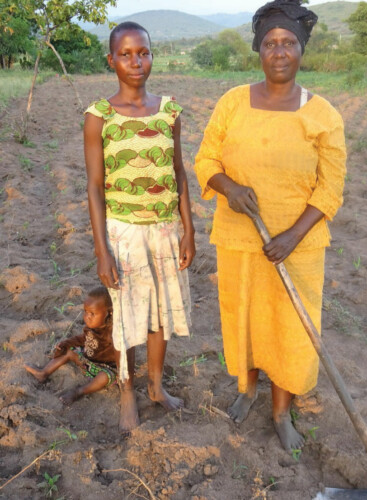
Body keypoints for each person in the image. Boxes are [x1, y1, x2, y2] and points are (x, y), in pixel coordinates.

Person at [195, 0, 346, 452]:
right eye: (270, 43)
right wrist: (228, 187)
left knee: (290, 326)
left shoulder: (323, 115)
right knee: (243, 316)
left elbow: (330, 188)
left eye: (288, 43)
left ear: (302, 50)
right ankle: (247, 389)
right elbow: (205, 159)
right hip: (239, 239)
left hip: (298, 246)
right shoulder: (232, 102)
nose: (279, 51)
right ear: (258, 51)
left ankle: (281, 411)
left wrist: (292, 236)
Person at [84, 22, 195, 433]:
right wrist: (102, 251)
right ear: (111, 60)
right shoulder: (99, 117)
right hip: (124, 234)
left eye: (143, 53)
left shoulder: (169, 112)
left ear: (152, 56)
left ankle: (155, 386)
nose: (136, 62)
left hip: (165, 230)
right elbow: (95, 187)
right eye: (126, 54)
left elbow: (179, 172)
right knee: (128, 315)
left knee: (160, 312)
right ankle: (128, 389)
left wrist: (189, 230)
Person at [25, 287, 117, 405]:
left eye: (92, 313)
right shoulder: (92, 327)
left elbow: (123, 354)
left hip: (105, 368)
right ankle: (43, 373)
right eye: (85, 311)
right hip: (88, 363)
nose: (87, 316)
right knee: (68, 351)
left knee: (105, 376)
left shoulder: (112, 333)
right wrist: (66, 344)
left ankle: (79, 391)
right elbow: (82, 339)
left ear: (109, 313)